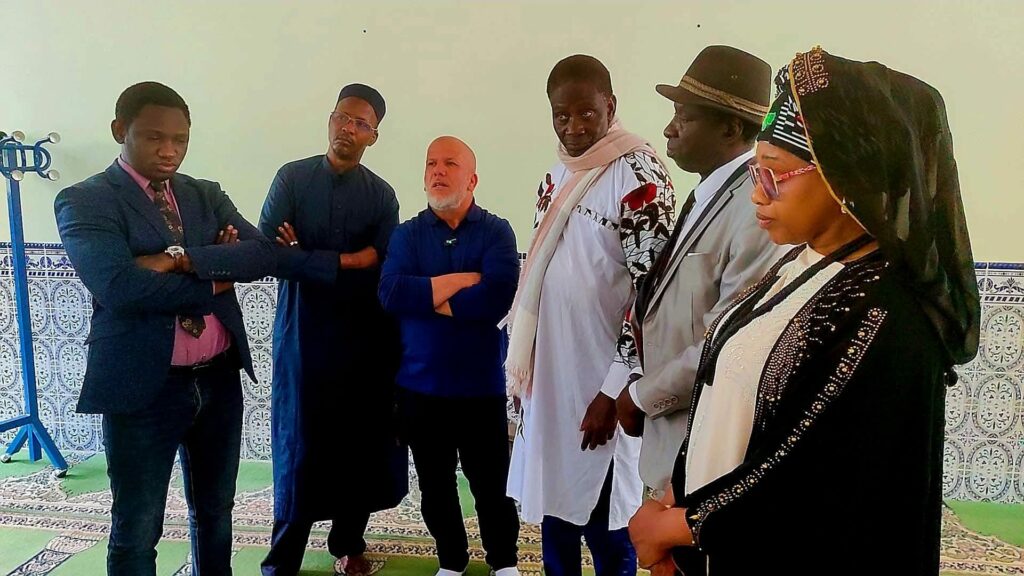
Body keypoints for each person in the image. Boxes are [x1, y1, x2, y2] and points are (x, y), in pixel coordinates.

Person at [627, 47, 980, 576]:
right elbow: (724, 397)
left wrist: (679, 526)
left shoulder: (888, 314)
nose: (757, 194)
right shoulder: (801, 263)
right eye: (755, 173)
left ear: (845, 177)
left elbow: (809, 475)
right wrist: (675, 499)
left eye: (774, 173)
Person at [54, 81, 276, 575]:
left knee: (216, 510)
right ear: (120, 130)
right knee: (137, 526)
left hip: (218, 378)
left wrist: (178, 258)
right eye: (154, 137)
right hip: (142, 387)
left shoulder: (204, 194)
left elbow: (262, 255)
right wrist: (217, 276)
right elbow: (119, 287)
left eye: (180, 139)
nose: (169, 150)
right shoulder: (86, 200)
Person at [505, 54, 675, 576]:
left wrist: (613, 391)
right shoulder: (558, 173)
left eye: (586, 114)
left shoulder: (640, 176)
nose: (574, 128)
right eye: (562, 116)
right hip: (552, 382)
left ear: (610, 106)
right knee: (555, 514)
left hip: (601, 386)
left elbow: (653, 297)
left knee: (606, 526)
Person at [616, 45, 783, 496]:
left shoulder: (755, 210)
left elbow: (727, 339)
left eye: (684, 117)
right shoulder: (708, 194)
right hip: (672, 441)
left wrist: (642, 396)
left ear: (730, 128)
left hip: (704, 452)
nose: (668, 129)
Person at [257, 83, 405, 576]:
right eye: (343, 117)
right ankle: (283, 560)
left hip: (363, 335)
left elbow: (380, 259)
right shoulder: (292, 178)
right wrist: (346, 260)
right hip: (301, 333)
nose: (349, 129)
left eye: (361, 123)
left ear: (373, 136)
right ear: (330, 119)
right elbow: (269, 252)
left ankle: (348, 542)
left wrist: (306, 256)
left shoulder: (381, 195)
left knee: (356, 440)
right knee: (298, 445)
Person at [380, 136, 521, 576]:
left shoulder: (497, 232)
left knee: (492, 485)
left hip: (480, 388)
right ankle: (451, 561)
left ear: (472, 179)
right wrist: (460, 281)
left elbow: (495, 298)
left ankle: (504, 562)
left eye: (449, 163)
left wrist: (425, 296)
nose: (437, 171)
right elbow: (390, 293)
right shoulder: (407, 234)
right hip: (420, 388)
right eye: (431, 164)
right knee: (435, 486)